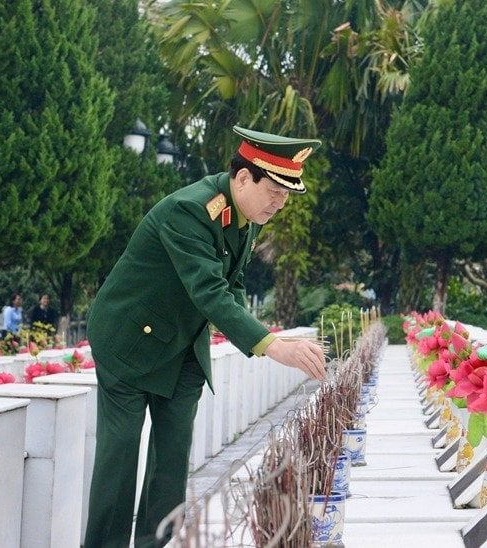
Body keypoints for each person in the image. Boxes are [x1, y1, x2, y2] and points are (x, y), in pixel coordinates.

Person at [84, 126, 327, 547]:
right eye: (273, 191)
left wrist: (260, 337)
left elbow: (227, 285)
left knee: (171, 464)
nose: (279, 203)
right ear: (242, 178)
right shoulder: (191, 210)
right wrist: (273, 346)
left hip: (182, 349)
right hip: (129, 342)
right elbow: (209, 290)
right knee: (119, 459)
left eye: (286, 196)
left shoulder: (247, 218)